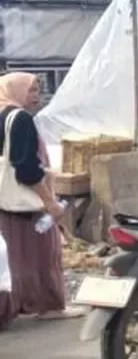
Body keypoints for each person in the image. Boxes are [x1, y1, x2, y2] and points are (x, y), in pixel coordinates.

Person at [0, 72, 79, 329]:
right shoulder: (20, 119)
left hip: (5, 204)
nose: (37, 97)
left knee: (12, 258)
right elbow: (26, 168)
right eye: (31, 91)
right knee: (45, 253)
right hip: (26, 203)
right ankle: (48, 306)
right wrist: (50, 203)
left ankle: (16, 304)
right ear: (15, 91)